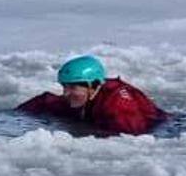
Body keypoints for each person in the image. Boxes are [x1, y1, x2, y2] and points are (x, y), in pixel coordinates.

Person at [17, 54, 165, 136]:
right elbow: (45, 102)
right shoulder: (82, 97)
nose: (65, 93)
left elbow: (131, 137)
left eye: (73, 87)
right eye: (64, 87)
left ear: (93, 86)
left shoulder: (118, 106)